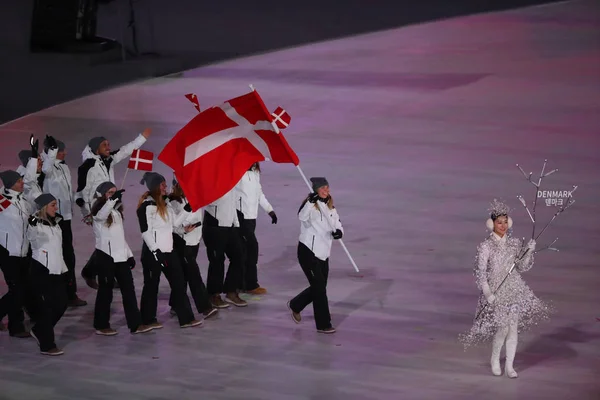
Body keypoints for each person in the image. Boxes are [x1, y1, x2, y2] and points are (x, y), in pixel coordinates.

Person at [459, 199, 551, 378]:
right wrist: (487, 293)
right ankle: (495, 360)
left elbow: (522, 267)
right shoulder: (486, 246)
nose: (502, 225)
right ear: (491, 223)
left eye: (505, 221)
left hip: (513, 289)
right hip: (496, 291)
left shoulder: (514, 243)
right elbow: (481, 272)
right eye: (498, 222)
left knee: (513, 328)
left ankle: (510, 365)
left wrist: (529, 251)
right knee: (502, 328)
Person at [76, 129, 151, 288]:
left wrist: (141, 138)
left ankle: (97, 272)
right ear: (96, 148)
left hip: (112, 204)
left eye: (108, 144)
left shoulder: (108, 159)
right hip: (98, 209)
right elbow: (81, 192)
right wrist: (88, 213)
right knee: (107, 241)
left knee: (113, 239)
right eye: (104, 145)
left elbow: (124, 151)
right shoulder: (87, 166)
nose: (108, 147)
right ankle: (95, 273)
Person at [136, 172, 202, 329]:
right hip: (153, 254)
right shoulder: (146, 207)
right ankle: (148, 319)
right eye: (163, 184)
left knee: (178, 283)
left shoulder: (166, 204)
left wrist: (186, 213)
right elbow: (145, 232)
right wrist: (155, 250)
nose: (166, 187)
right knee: (151, 285)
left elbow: (174, 225)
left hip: (169, 251)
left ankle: (186, 318)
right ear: (155, 187)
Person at [91, 182, 153, 335]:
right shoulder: (99, 212)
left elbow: (120, 237)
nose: (114, 195)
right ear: (103, 195)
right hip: (106, 257)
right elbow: (100, 217)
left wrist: (129, 255)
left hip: (120, 258)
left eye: (115, 192)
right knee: (106, 292)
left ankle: (135, 324)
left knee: (129, 291)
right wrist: (112, 201)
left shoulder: (117, 213)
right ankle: (101, 325)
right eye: (110, 193)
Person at [287, 177, 343, 334]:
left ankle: (296, 304)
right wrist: (310, 202)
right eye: (322, 188)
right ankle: (323, 324)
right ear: (316, 190)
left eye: (327, 187)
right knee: (319, 288)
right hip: (308, 252)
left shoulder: (331, 207)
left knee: (319, 287)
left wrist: (339, 232)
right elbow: (301, 217)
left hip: (324, 254)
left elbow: (338, 223)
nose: (326, 190)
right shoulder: (310, 206)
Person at [42, 135, 86, 307]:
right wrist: (51, 151)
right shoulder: (48, 167)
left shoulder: (64, 167)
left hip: (65, 217)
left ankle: (69, 292)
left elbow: (67, 191)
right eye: (61, 150)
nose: (66, 152)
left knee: (69, 256)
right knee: (56, 256)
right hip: (54, 218)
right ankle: (57, 294)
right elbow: (45, 169)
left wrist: (79, 201)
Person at [168, 180, 218, 320]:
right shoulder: (173, 202)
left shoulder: (195, 197)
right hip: (183, 243)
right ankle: (205, 308)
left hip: (194, 241)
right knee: (194, 276)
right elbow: (173, 224)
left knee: (183, 276)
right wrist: (186, 211)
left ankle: (175, 305)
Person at [27, 194, 69, 355]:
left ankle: (39, 330)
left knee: (62, 304)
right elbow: (33, 240)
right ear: (44, 207)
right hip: (42, 270)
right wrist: (31, 226)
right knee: (48, 307)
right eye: (53, 205)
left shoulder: (55, 224)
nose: (56, 208)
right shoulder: (36, 225)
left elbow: (58, 250)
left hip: (57, 269)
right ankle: (47, 344)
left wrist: (64, 270)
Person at [0, 170, 35, 338]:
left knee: (22, 289)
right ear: (9, 184)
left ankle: (15, 323)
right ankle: (16, 326)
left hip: (24, 251)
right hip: (7, 252)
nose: (22, 182)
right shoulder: (3, 203)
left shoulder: (24, 201)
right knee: (16, 289)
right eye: (18, 180)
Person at [234, 162, 277, 294]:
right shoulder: (237, 172)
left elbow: (259, 194)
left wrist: (270, 210)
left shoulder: (255, 172)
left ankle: (241, 284)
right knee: (252, 248)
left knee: (245, 250)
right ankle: (250, 284)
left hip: (251, 217)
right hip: (240, 217)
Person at [203, 186, 247, 308]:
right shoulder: (212, 183)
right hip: (214, 226)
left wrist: (236, 225)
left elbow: (232, 205)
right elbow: (206, 201)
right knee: (217, 261)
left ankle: (231, 291)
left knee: (239, 256)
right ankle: (213, 294)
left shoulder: (230, 182)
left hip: (230, 226)